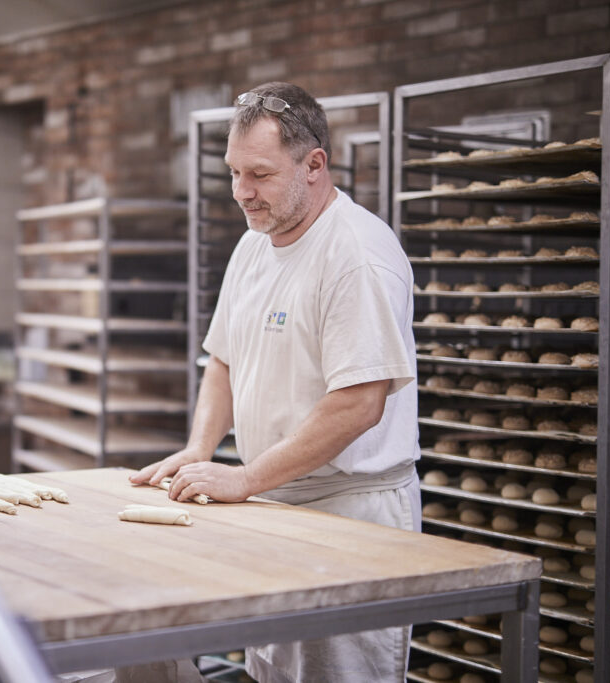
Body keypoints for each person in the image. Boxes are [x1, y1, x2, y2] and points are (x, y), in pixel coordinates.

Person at [130, 82, 420, 682]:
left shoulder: (356, 254)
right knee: (270, 673)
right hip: (275, 501)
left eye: (258, 175)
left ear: (314, 165)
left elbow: (359, 404)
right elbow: (225, 360)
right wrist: (200, 448)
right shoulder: (253, 246)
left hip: (350, 516)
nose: (241, 192)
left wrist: (243, 477)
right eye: (235, 173)